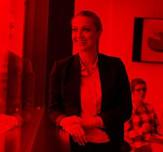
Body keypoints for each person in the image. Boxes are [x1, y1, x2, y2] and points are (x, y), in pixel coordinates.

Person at [48, 10, 132, 152]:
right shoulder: (61, 67)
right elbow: (53, 109)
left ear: (98, 32)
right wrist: (65, 121)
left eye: (86, 30)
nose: (79, 35)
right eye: (75, 30)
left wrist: (89, 122)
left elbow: (125, 109)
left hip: (109, 143)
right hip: (74, 143)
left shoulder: (115, 66)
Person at [124, 78, 159, 151]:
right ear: (132, 92)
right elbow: (125, 135)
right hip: (137, 146)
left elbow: (157, 129)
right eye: (138, 90)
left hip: (153, 144)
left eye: (144, 89)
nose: (142, 92)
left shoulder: (150, 108)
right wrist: (141, 130)